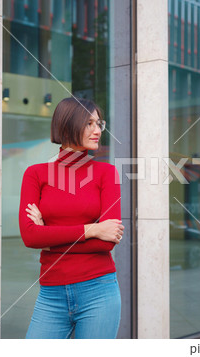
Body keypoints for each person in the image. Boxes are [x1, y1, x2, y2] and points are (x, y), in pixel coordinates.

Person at [18, 97, 124, 339]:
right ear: (69, 124)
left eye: (100, 123)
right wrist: (92, 230)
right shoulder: (35, 174)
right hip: (51, 294)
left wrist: (48, 236)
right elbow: (29, 236)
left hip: (99, 291)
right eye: (90, 123)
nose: (98, 130)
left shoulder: (107, 173)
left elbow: (106, 242)